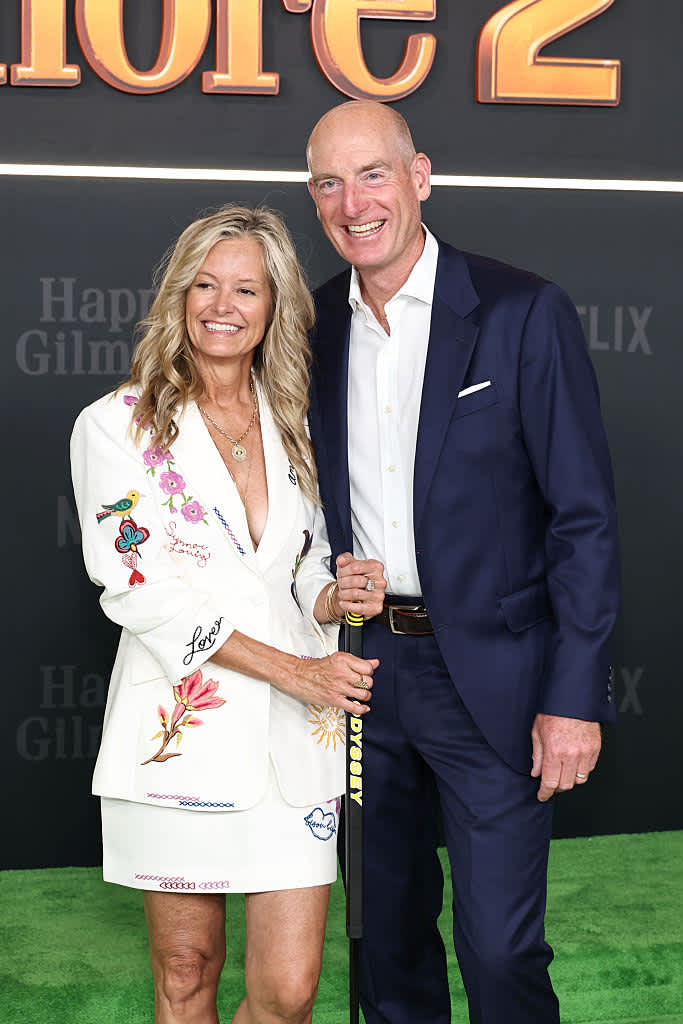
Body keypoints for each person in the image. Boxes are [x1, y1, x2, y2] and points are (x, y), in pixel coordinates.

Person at [304, 101, 620, 1024]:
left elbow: (584, 521)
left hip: (496, 676)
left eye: (371, 174)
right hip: (360, 672)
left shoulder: (521, 311)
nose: (351, 202)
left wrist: (571, 697)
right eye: (328, 181)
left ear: (419, 177)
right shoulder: (310, 325)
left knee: (499, 948)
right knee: (384, 939)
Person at [70, 204, 386, 1024]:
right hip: (179, 743)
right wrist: (296, 669)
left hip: (294, 745)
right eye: (204, 284)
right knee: (185, 976)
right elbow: (136, 587)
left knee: (288, 993)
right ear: (178, 296)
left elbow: (304, 563)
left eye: (246, 289)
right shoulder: (117, 425)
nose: (222, 304)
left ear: (274, 305)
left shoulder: (303, 426)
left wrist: (331, 593)